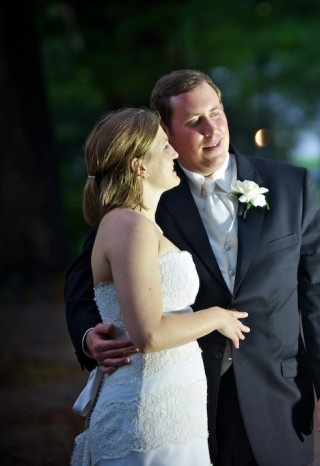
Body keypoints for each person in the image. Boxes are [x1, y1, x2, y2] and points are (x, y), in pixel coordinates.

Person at [65, 70, 320, 466]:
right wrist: (89, 337)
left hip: (278, 392)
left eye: (216, 113)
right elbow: (85, 281)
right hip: (181, 397)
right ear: (166, 133)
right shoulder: (146, 196)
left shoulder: (291, 186)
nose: (211, 129)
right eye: (193, 122)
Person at [69, 107, 251, 465]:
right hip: (147, 411)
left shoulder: (140, 223)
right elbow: (149, 334)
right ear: (139, 165)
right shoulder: (128, 226)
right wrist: (216, 316)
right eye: (165, 146)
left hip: (172, 407)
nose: (174, 153)